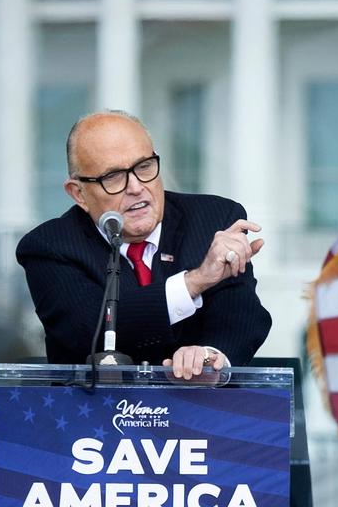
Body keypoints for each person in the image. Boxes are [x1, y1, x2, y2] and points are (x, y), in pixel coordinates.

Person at [17, 110, 272, 378]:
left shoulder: (215, 220)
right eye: (113, 176)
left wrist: (208, 356)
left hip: (201, 411)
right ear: (78, 193)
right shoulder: (49, 246)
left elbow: (242, 314)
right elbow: (88, 328)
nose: (136, 187)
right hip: (95, 413)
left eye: (144, 166)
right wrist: (194, 282)